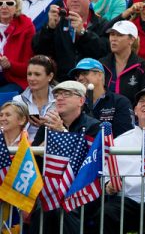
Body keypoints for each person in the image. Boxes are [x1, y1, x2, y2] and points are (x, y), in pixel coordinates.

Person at [29, 80, 101, 233]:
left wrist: (61, 132)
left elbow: (87, 162)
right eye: (57, 94)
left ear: (81, 101)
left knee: (68, 208)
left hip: (81, 188)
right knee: (42, 207)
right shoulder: (46, 126)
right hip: (51, 186)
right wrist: (40, 149)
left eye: (66, 94)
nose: (59, 98)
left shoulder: (93, 126)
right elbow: (35, 160)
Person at [102, 90, 145, 233]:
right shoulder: (118, 141)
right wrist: (108, 185)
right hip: (127, 200)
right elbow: (106, 174)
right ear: (135, 110)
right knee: (106, 213)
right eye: (141, 101)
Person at [32, 0, 110, 81]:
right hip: (61, 81)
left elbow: (103, 51)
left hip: (90, 80)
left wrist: (83, 33)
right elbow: (38, 49)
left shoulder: (101, 23)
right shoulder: (58, 21)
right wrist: (49, 28)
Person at [70, 57, 134, 137]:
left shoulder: (120, 102)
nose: (80, 78)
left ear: (100, 75)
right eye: (77, 75)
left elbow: (125, 136)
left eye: (84, 73)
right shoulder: (75, 104)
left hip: (110, 148)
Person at [99, 20, 145, 106]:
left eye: (119, 35)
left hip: (133, 117)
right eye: (112, 34)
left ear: (131, 40)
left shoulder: (143, 67)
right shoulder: (101, 64)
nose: (113, 39)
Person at [12, 55, 57, 139]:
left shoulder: (60, 100)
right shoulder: (18, 101)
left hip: (51, 147)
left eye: (37, 74)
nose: (31, 78)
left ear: (50, 76)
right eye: (29, 74)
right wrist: (24, 122)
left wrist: (47, 126)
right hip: (23, 147)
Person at [0, 0, 35, 93]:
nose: (4, 7)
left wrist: (10, 64)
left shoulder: (26, 27)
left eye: (9, 3)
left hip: (15, 79)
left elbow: (29, 67)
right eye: (0, 3)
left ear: (17, 7)